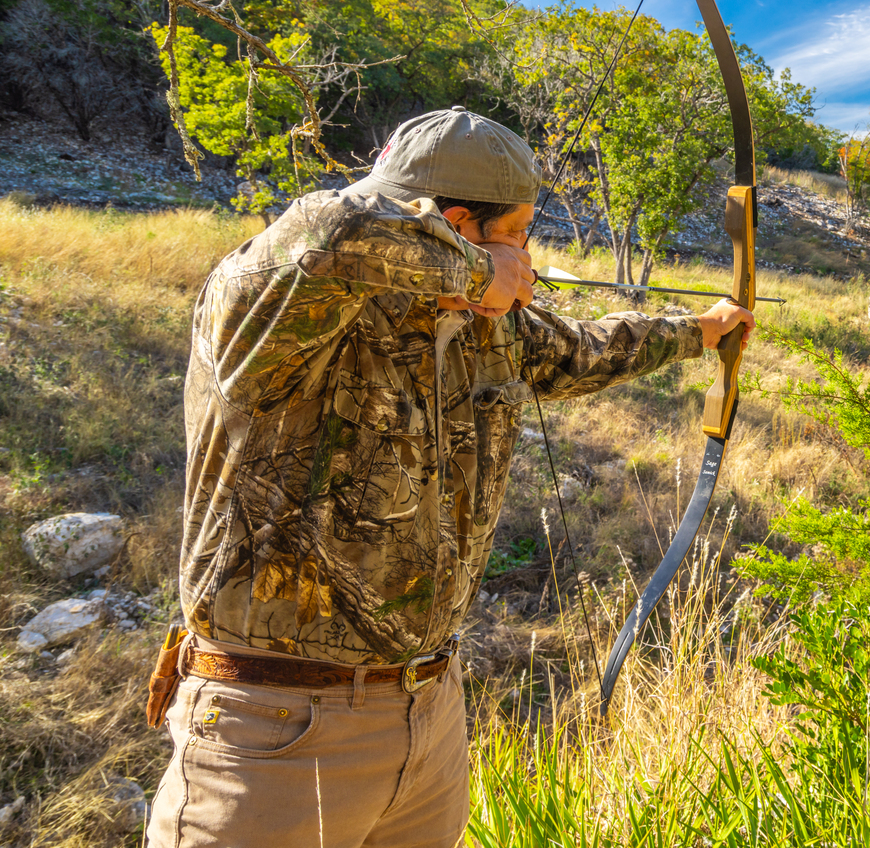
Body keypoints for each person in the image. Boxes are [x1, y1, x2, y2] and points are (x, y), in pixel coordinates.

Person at [144, 107, 752, 848]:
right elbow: (327, 233)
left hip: (426, 717)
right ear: (459, 223)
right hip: (271, 733)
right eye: (520, 235)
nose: (528, 256)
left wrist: (700, 332)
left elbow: (578, 352)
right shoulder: (272, 304)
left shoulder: (477, 325)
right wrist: (476, 267)